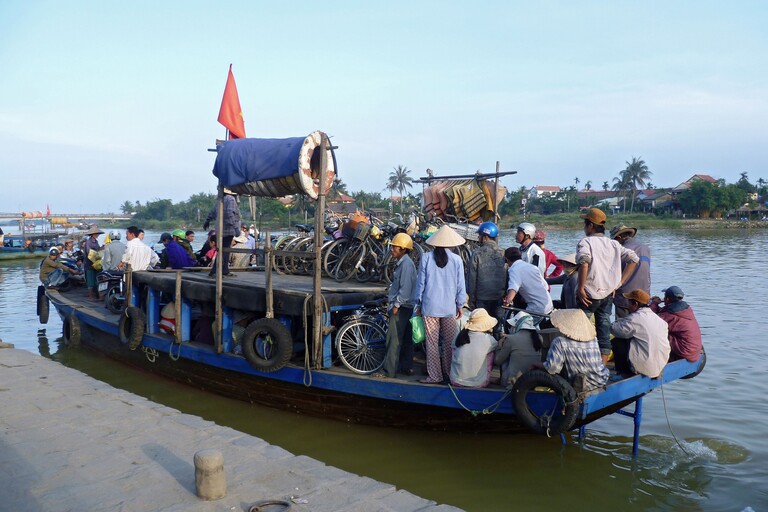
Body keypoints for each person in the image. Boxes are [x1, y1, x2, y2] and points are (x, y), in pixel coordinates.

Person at [576, 207, 639, 362]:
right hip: (608, 293)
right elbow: (634, 259)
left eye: (585, 224)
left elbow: (584, 263)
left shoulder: (586, 242)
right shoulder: (613, 244)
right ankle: (602, 365)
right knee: (603, 329)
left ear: (590, 226)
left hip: (589, 293)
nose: (584, 228)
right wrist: (618, 284)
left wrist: (581, 287)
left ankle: (580, 361)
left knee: (579, 329)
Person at [414, 225, 467, 384]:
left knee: (431, 343)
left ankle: (435, 376)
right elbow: (461, 285)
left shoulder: (426, 257)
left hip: (430, 307)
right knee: (450, 343)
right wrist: (460, 304)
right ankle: (450, 374)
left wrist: (417, 303)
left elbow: (420, 283)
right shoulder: (457, 260)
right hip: (449, 308)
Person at [535, 309, 609, 391]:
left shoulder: (560, 342)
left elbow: (552, 369)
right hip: (601, 380)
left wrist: (536, 365)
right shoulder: (593, 340)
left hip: (584, 385)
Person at [379, 233, 417, 378]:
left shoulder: (406, 264)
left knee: (393, 340)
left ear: (403, 249)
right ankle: (406, 367)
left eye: (395, 247)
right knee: (406, 339)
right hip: (406, 306)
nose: (392, 249)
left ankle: (389, 370)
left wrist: (396, 304)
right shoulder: (404, 263)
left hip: (402, 307)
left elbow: (405, 289)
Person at [610, 289, 671, 378]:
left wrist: (619, 321)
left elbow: (614, 329)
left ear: (635, 304)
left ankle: (624, 373)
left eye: (629, 302)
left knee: (617, 341)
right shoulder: (659, 320)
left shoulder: (635, 318)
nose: (628, 305)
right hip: (661, 364)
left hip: (646, 367)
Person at [466, 222, 506, 337]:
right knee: (497, 329)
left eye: (479, 235)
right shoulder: (503, 252)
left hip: (482, 298)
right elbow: (508, 275)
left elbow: (472, 279)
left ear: (485, 237)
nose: (478, 237)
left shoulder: (477, 254)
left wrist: (471, 299)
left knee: (482, 329)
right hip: (499, 298)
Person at [651, 286, 703, 362]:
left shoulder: (671, 315)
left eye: (665, 297)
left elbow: (651, 321)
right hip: (692, 350)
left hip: (685, 352)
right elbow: (663, 313)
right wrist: (656, 306)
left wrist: (654, 304)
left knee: (654, 333)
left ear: (667, 299)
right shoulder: (685, 310)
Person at [449, 308, 499, 388]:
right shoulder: (489, 339)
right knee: (491, 352)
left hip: (455, 380)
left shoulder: (459, 336)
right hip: (479, 383)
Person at [610, 224, 651, 318]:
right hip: (644, 295)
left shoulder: (619, 250)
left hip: (625, 296)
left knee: (623, 324)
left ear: (619, 237)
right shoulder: (646, 248)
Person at [494, 311, 542, 387]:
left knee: (505, 357)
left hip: (513, 382)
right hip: (533, 382)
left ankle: (502, 380)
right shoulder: (539, 338)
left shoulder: (511, 339)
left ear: (518, 325)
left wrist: (499, 346)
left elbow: (497, 361)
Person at [502, 247, 553, 317]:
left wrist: (507, 302)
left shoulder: (514, 270)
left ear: (506, 259)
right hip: (548, 305)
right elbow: (545, 286)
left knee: (514, 322)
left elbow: (513, 287)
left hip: (536, 308)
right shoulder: (532, 267)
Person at [204, 189, 241, 277]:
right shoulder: (231, 199)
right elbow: (229, 213)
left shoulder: (221, 199)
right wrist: (236, 227)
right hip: (228, 229)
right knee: (224, 252)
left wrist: (207, 221)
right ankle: (214, 271)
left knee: (224, 251)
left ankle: (224, 270)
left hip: (220, 230)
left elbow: (213, 212)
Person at [82, 226, 104, 301]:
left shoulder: (96, 242)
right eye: (96, 234)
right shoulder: (88, 242)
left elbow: (97, 250)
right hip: (89, 264)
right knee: (90, 281)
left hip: (96, 264)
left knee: (97, 280)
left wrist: (101, 248)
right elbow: (89, 253)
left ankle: (98, 296)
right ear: (93, 234)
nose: (98, 235)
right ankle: (90, 297)